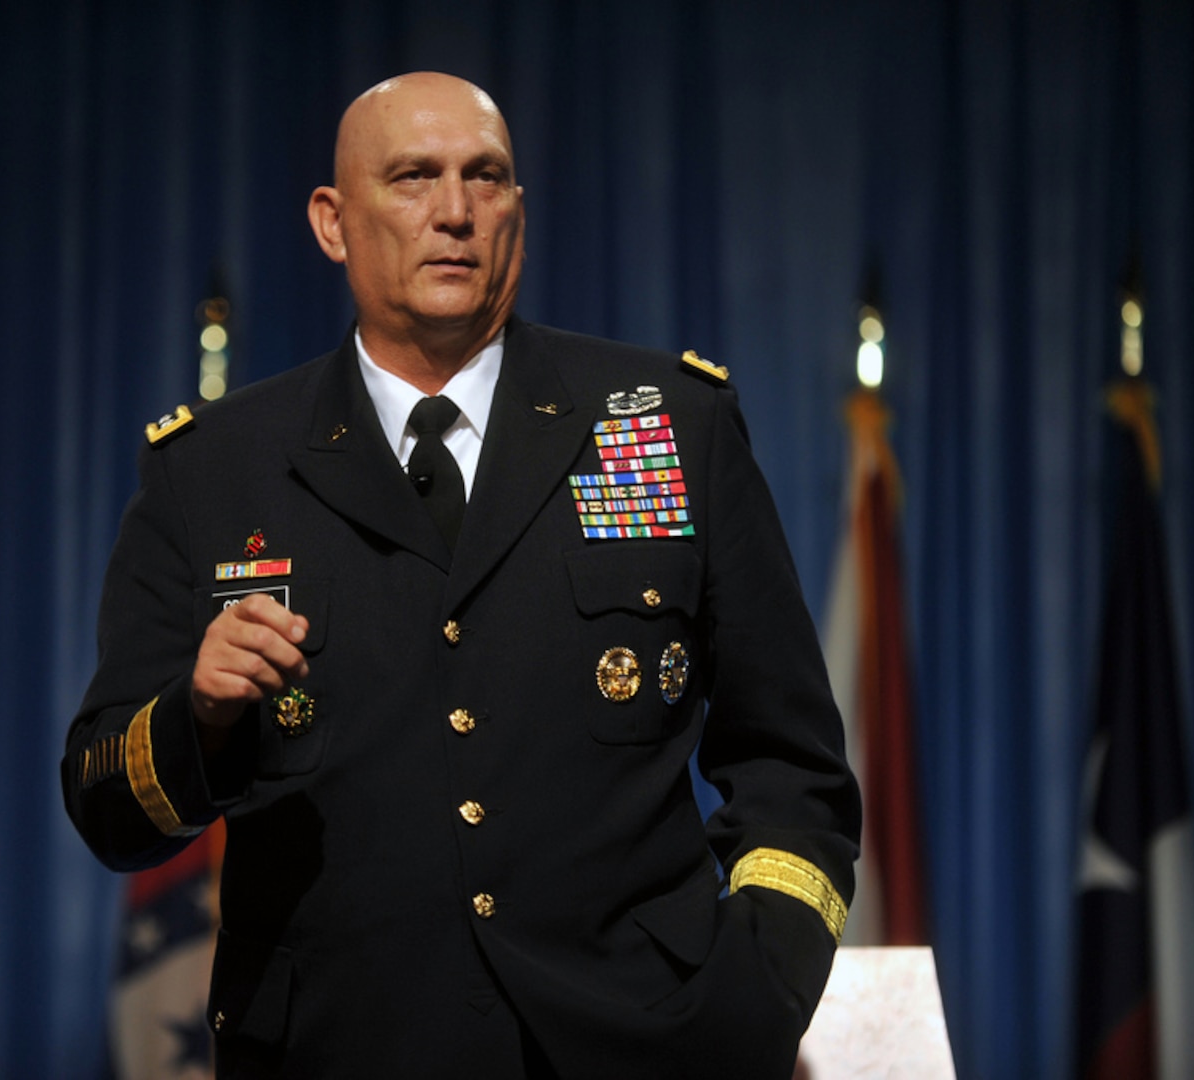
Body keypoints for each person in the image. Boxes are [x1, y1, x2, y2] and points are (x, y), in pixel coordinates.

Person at [63, 71, 860, 1079]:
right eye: (411, 178)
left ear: (516, 213)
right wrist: (199, 720)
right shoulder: (214, 469)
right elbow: (102, 805)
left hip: (634, 1051)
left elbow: (795, 771)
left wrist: (754, 1006)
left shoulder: (664, 422)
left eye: (484, 178)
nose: (453, 212)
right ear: (331, 221)